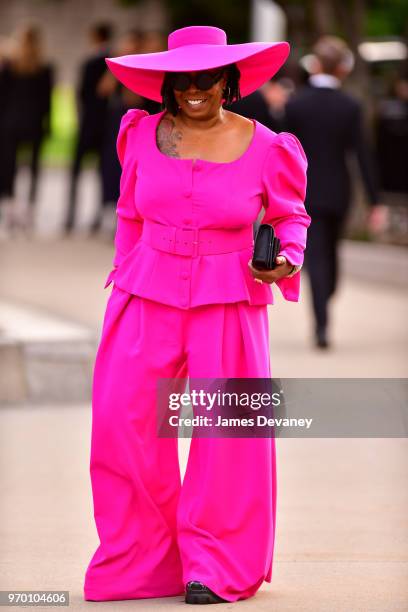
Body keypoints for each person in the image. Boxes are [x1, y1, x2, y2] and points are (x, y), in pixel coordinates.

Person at [83, 25, 311, 605]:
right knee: (122, 424)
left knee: (226, 437)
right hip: (144, 294)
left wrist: (284, 261)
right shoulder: (137, 133)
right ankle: (144, 562)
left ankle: (213, 564)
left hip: (229, 299)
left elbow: (291, 219)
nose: (194, 89)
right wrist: (123, 274)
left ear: (229, 81)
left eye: (207, 78)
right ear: (166, 84)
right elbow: (130, 213)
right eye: (182, 80)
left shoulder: (269, 146)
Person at [284, 36, 386, 349]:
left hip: (305, 193)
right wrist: (375, 201)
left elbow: (284, 153)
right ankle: (324, 317)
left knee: (317, 258)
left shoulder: (295, 103)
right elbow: (362, 155)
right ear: (342, 68)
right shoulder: (350, 105)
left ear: (315, 64)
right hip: (340, 192)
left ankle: (321, 310)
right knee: (329, 254)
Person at [0, 23, 53, 235]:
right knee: (33, 168)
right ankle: (29, 211)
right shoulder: (45, 68)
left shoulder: (10, 67)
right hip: (34, 123)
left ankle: (11, 211)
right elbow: (47, 102)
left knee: (9, 168)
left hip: (11, 123)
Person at [64, 22, 113, 234]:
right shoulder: (114, 61)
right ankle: (99, 214)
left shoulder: (91, 62)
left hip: (89, 123)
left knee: (76, 171)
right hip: (106, 124)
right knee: (103, 173)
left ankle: (70, 215)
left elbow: (81, 95)